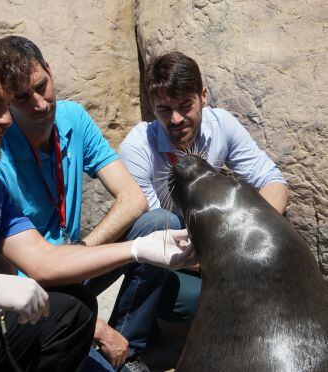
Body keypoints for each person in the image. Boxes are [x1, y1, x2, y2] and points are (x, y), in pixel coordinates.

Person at [0, 34, 196, 371]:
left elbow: (42, 260)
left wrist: (138, 249)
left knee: (73, 306)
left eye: (6, 105)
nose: (6, 119)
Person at [0, 36, 187, 372]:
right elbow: (20, 276)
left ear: (50, 72)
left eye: (42, 86)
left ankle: (131, 350)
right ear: (6, 102)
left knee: (157, 222)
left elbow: (133, 199)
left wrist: (83, 249)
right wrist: (98, 330)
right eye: (22, 98)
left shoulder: (73, 118)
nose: (40, 104)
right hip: (34, 287)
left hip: (73, 265)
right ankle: (98, 343)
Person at [119, 51, 289, 329]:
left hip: (217, 244)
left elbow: (272, 180)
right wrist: (224, 262)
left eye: (185, 105)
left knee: (278, 220)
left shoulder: (221, 124)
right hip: (170, 257)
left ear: (203, 96)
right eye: (164, 109)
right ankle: (139, 336)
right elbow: (156, 234)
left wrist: (251, 236)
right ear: (152, 106)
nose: (175, 119)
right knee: (198, 298)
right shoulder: (137, 148)